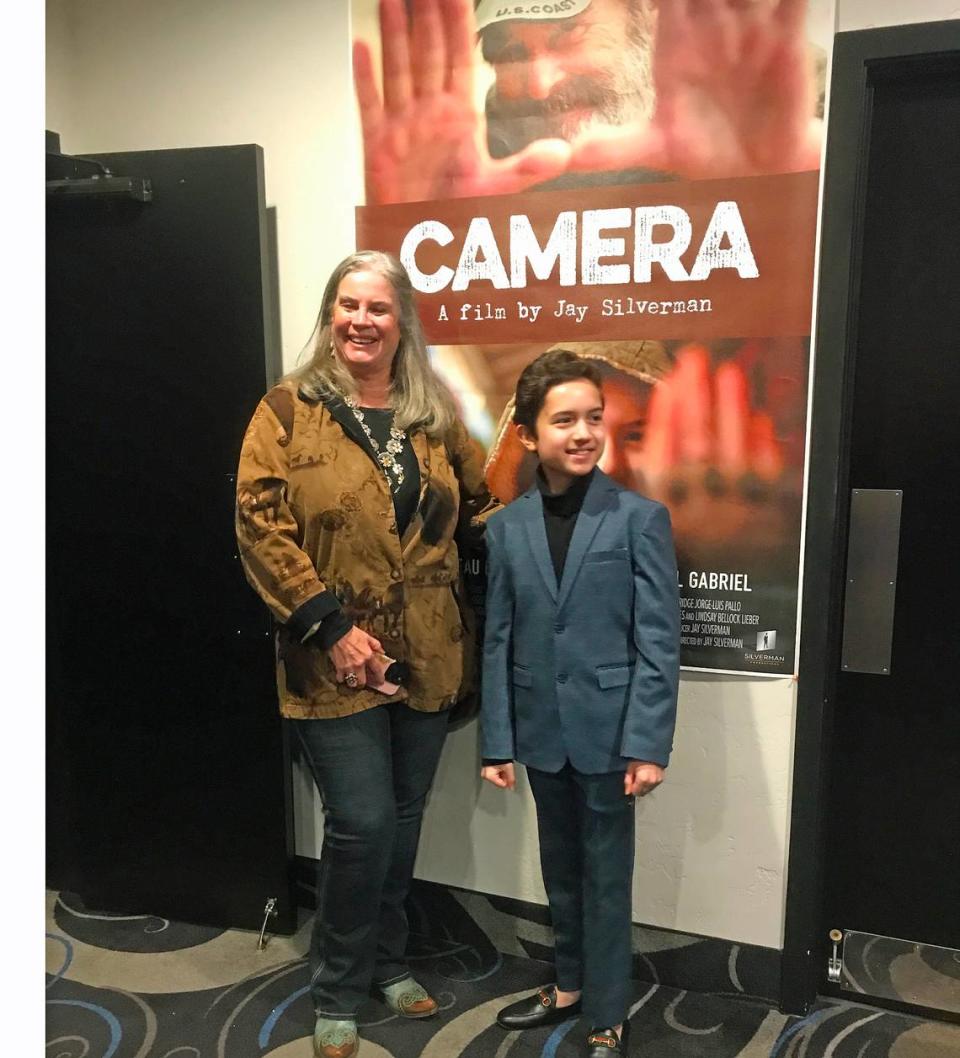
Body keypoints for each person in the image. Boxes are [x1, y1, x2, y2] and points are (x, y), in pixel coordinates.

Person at [235, 250, 497, 1058]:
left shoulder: (432, 413)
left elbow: (482, 506)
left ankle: (388, 961)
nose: (361, 321)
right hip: (332, 658)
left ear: (401, 323)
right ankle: (339, 987)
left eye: (378, 309)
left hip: (429, 652)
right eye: (348, 305)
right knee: (362, 822)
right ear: (330, 313)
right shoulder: (285, 409)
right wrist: (332, 628)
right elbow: (258, 524)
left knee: (404, 818)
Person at [480, 349, 680, 1056]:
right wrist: (496, 740)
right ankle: (566, 982)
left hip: (610, 735)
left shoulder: (637, 519)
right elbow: (499, 639)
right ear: (530, 435)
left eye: (593, 417)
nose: (584, 432)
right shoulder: (507, 528)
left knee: (605, 877)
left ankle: (606, 1011)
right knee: (558, 864)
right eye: (564, 419)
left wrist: (648, 743)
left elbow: (659, 641)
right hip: (540, 731)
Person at [353, 0, 824, 205]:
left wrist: (779, 191)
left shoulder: (786, 103)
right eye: (510, 54)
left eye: (568, 35)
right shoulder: (467, 166)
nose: (540, 84)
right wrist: (415, 234)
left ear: (648, 18)